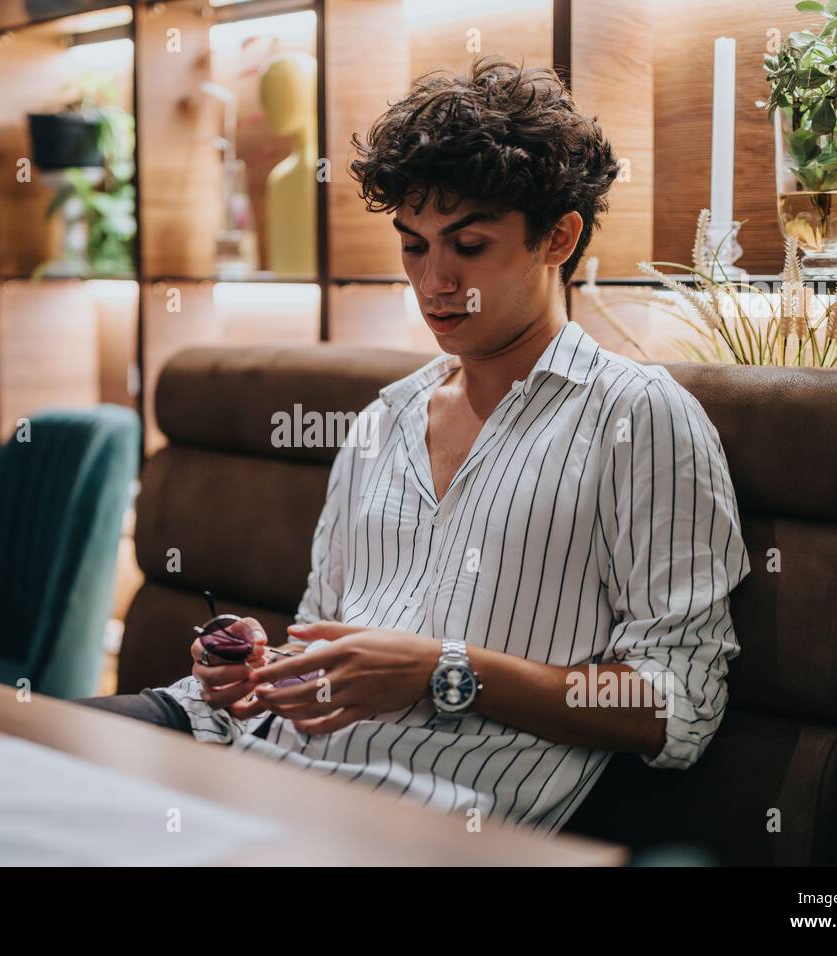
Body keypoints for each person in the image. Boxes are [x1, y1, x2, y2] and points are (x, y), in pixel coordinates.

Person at [80, 56, 750, 834]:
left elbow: (677, 706)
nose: (433, 282)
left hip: (416, 819)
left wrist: (444, 672)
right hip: (242, 743)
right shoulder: (383, 421)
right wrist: (260, 673)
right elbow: (323, 637)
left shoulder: (642, 421)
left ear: (557, 238)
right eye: (413, 245)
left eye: (467, 246)